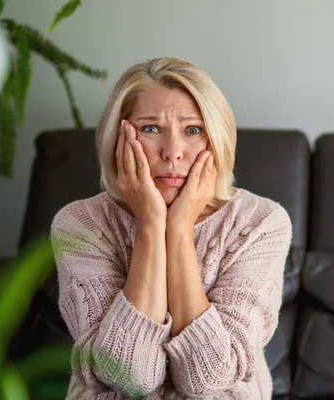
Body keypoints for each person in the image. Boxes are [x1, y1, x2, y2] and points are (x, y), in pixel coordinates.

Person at [50, 57, 292, 399]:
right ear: (118, 137)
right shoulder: (80, 224)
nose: (173, 152)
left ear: (216, 138)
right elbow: (130, 375)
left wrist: (178, 232)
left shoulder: (260, 223)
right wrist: (150, 225)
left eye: (193, 130)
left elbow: (209, 377)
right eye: (151, 129)